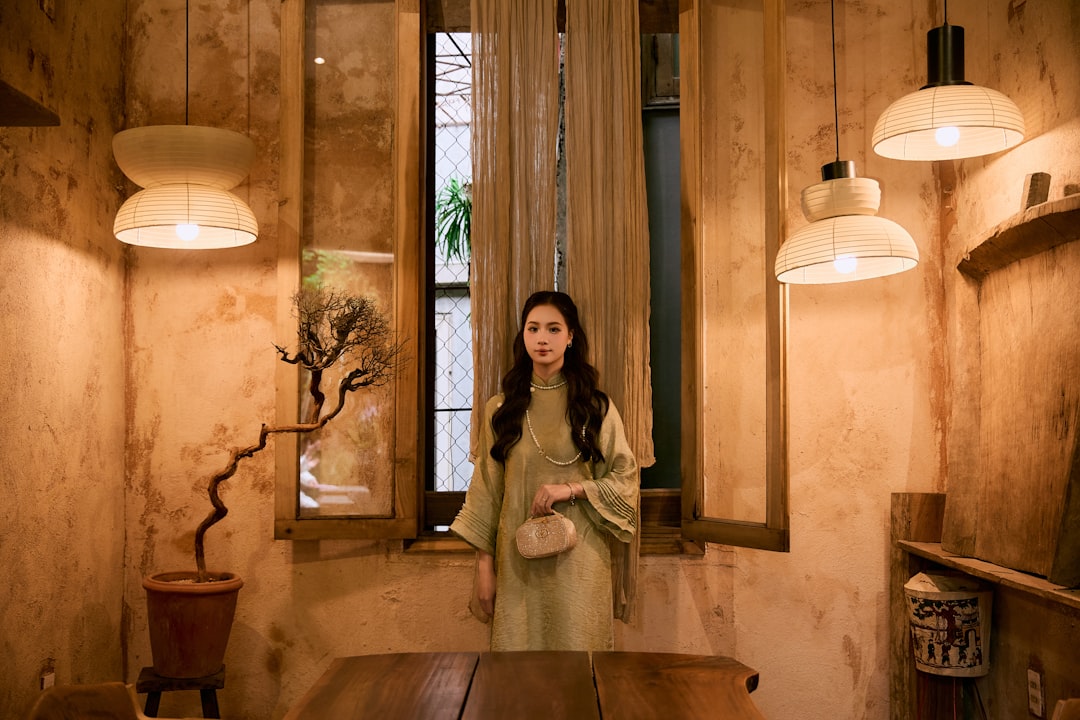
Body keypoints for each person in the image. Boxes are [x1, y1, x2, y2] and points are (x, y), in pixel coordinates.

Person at [450, 290, 639, 651]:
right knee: (519, 675)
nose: (542, 338)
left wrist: (571, 488)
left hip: (580, 561)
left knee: (579, 673)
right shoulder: (501, 409)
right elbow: (487, 493)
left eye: (554, 329)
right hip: (517, 565)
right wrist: (484, 569)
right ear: (522, 336)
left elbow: (625, 477)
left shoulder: (595, 408)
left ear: (570, 337)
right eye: (533, 328)